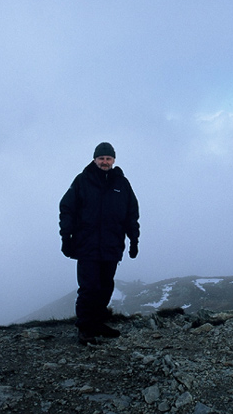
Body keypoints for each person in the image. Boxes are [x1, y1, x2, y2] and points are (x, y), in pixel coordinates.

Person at [59, 142, 140, 345]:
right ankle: (85, 329)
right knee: (89, 287)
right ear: (95, 159)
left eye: (108, 158)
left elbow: (132, 214)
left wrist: (134, 240)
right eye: (101, 158)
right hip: (87, 245)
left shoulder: (122, 184)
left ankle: (97, 323)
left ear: (113, 160)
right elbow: (67, 209)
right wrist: (66, 238)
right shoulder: (82, 181)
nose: (105, 162)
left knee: (105, 287)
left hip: (112, 246)